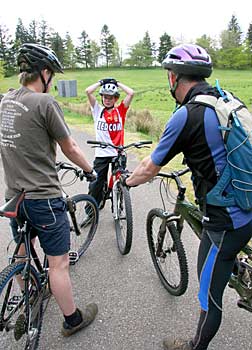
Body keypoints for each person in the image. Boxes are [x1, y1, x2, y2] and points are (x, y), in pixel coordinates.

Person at [123, 44, 252, 350]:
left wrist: (126, 182)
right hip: (245, 202)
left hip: (225, 221)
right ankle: (236, 266)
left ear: (174, 78)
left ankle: (196, 346)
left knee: (209, 295)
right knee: (222, 258)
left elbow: (150, 166)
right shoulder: (226, 99)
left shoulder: (187, 114)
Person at [0, 43, 98, 337]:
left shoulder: (4, 102)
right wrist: (90, 170)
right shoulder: (45, 103)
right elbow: (69, 146)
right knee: (58, 264)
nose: (52, 80)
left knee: (22, 245)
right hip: (43, 197)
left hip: (14, 197)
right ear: (43, 73)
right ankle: (72, 320)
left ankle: (28, 288)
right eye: (51, 74)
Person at [85, 77, 134, 211]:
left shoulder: (120, 111)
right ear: (102, 98)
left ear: (116, 99)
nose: (107, 100)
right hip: (101, 153)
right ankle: (91, 211)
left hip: (118, 152)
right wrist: (101, 82)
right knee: (96, 183)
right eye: (105, 97)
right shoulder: (97, 110)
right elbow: (88, 91)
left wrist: (117, 83)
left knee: (121, 181)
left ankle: (118, 205)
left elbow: (131, 93)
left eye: (111, 97)